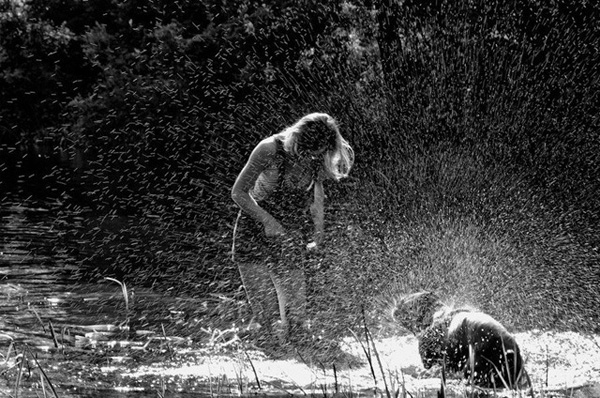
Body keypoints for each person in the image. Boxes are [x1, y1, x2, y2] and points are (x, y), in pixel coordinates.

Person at [231, 112, 354, 351]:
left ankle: (302, 358)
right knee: (265, 317)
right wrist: (267, 221)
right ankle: (264, 360)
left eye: (315, 154)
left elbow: (317, 196)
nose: (308, 158)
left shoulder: (318, 156)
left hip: (290, 233)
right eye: (305, 151)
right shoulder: (268, 149)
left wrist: (319, 232)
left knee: (297, 320)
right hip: (253, 228)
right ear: (297, 137)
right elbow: (238, 192)